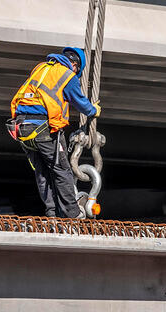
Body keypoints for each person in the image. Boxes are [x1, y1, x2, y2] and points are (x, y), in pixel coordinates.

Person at [7, 47, 99, 218]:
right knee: (61, 169)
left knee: (42, 172)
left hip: (22, 128)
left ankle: (52, 213)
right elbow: (79, 101)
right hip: (42, 128)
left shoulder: (41, 68)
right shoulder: (67, 74)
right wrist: (93, 110)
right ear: (75, 65)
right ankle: (72, 213)